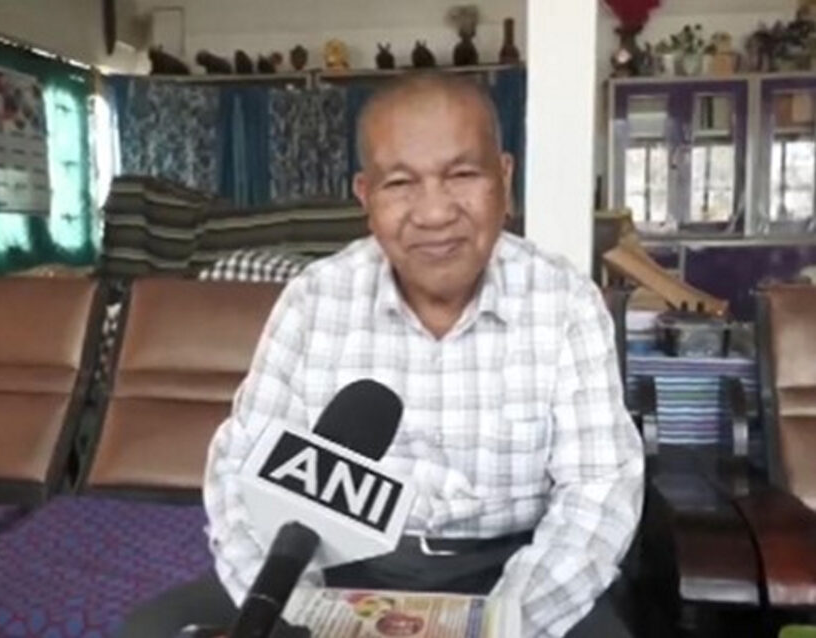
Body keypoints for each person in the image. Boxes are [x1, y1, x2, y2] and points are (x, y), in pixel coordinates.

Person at [115, 72, 644, 638]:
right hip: (338, 565)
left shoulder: (565, 301)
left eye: (462, 175)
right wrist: (301, 617)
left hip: (515, 567)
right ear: (365, 197)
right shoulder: (315, 300)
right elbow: (244, 472)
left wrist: (507, 624)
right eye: (400, 184)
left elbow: (598, 489)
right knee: (151, 631)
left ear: (505, 179)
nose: (434, 213)